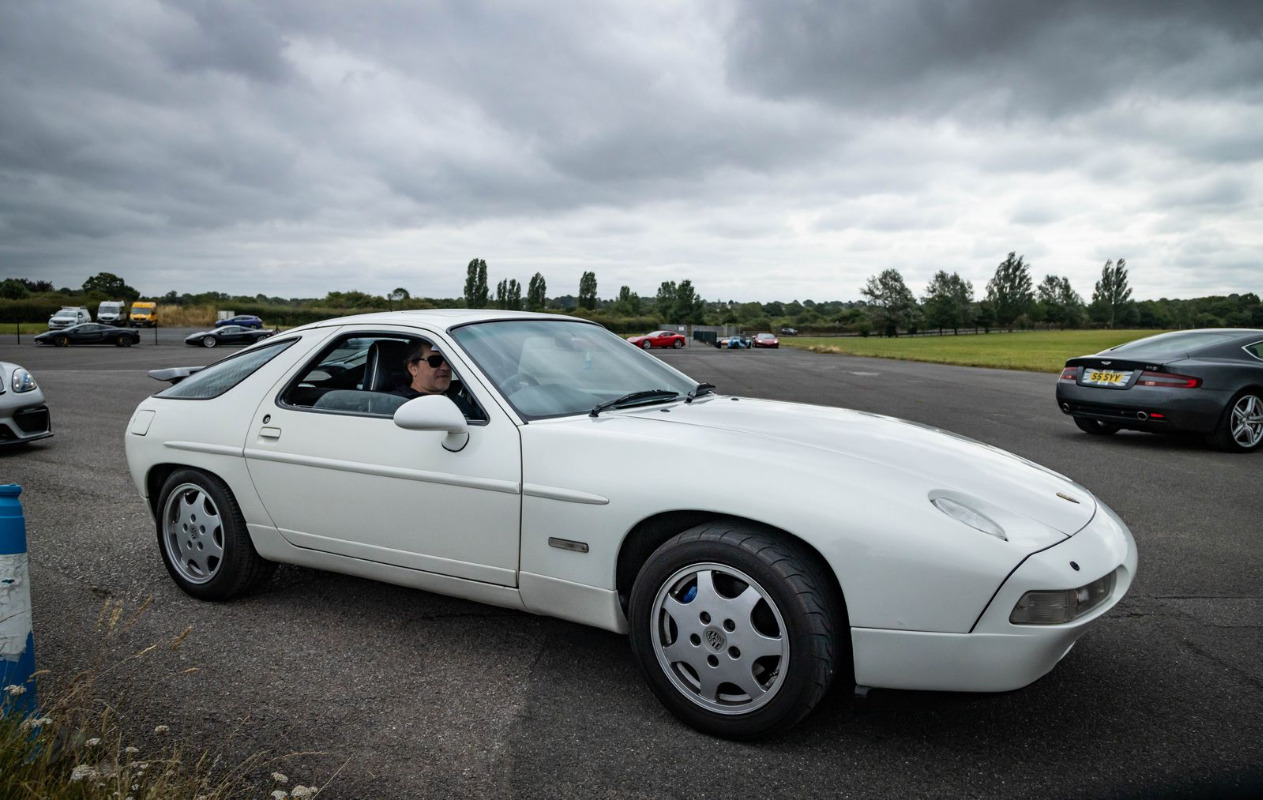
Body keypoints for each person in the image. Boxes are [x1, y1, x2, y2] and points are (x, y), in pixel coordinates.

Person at [392, 341, 479, 419]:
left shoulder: (459, 402)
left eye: (449, 361)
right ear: (413, 369)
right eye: (435, 361)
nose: (445, 368)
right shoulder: (398, 404)